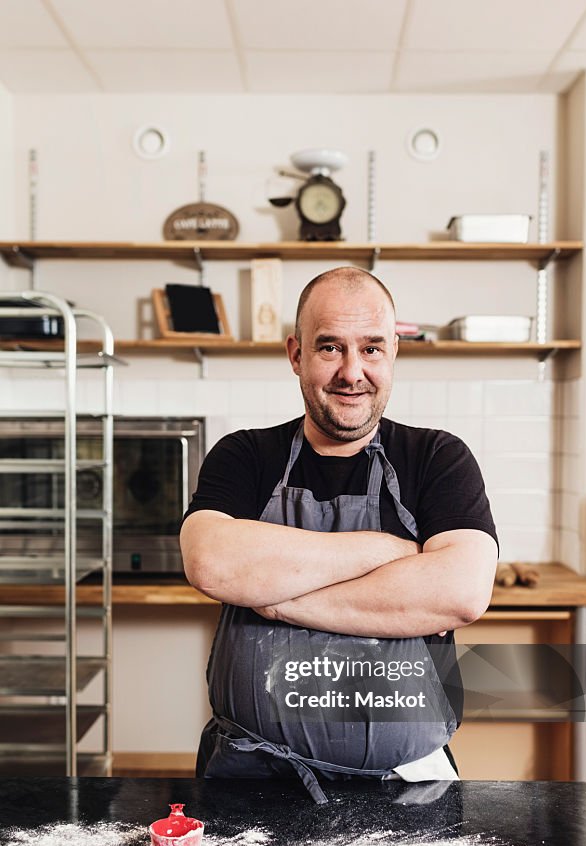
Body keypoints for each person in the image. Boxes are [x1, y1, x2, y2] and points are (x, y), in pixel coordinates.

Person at [180, 267, 498, 803]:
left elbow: (461, 592)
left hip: (409, 789)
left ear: (394, 351)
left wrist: (280, 602)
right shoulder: (245, 456)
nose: (353, 372)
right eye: (330, 347)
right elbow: (211, 562)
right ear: (295, 355)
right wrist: (383, 552)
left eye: (371, 348)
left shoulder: (438, 458)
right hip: (251, 781)